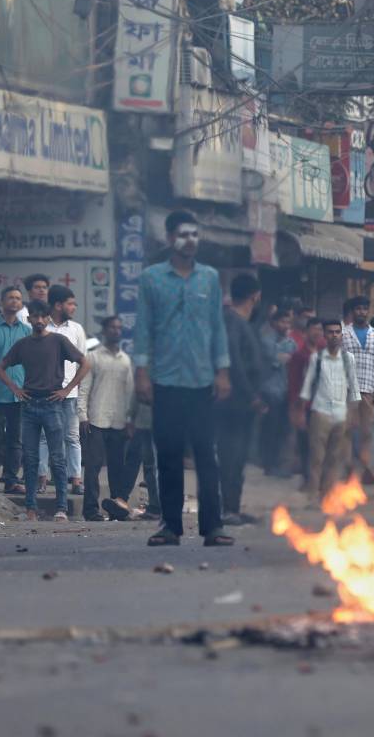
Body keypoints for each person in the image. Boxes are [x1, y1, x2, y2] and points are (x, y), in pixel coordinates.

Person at [134, 210, 233, 547]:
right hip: (165, 381)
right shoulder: (151, 279)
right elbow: (143, 329)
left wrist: (222, 372)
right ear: (169, 239)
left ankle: (213, 526)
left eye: (195, 234)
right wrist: (142, 373)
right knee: (169, 456)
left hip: (202, 381)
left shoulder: (209, 278)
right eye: (184, 234)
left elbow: (217, 328)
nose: (191, 240)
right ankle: (170, 526)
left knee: (207, 455)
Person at [0, 299, 90, 521]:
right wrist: (15, 388)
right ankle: (31, 508)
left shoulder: (59, 341)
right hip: (28, 406)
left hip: (53, 404)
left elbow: (85, 363)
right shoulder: (23, 344)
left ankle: (61, 508)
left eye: (42, 316)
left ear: (48, 318)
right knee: (29, 458)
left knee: (57, 458)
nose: (38, 320)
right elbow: (0, 368)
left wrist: (66, 390)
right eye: (34, 317)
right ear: (28, 319)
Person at [216, 274, 268, 526]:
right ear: (255, 295)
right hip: (232, 403)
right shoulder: (231, 321)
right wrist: (252, 395)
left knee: (240, 458)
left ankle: (233, 507)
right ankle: (227, 510)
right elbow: (233, 362)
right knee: (230, 456)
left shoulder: (243, 322)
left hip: (243, 404)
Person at [296, 320, 361, 506]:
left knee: (334, 458)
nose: (334, 335)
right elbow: (307, 387)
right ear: (324, 336)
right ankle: (313, 495)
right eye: (330, 332)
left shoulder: (349, 359)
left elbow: (354, 389)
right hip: (320, 412)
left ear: (341, 335)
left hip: (341, 414)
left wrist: (353, 413)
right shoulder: (316, 359)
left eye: (337, 332)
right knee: (316, 457)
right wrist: (300, 412)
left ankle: (327, 495)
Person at [78, 316, 135, 521]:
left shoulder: (125, 360)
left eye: (119, 328)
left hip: (119, 421)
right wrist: (82, 416)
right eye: (112, 327)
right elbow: (84, 388)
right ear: (104, 330)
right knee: (92, 467)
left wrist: (130, 420)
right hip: (96, 419)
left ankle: (115, 508)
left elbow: (129, 393)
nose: (116, 331)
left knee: (117, 468)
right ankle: (90, 510)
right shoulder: (93, 357)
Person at [46, 285, 87, 496]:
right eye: (70, 303)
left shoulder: (76, 329)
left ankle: (76, 480)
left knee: (72, 437)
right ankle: (42, 479)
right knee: (45, 438)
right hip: (44, 393)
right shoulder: (43, 327)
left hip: (69, 394)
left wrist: (75, 390)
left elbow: (83, 362)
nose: (74, 307)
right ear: (58, 305)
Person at [342, 296, 374, 485]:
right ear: (353, 311)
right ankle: (348, 469)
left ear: (368, 311)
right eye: (358, 309)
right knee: (348, 431)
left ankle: (368, 470)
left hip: (368, 390)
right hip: (347, 390)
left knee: (368, 432)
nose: (361, 312)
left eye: (364, 309)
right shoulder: (344, 333)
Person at [0, 286, 29, 495]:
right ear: (2, 302)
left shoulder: (27, 331)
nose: (15, 301)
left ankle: (11, 481)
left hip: (19, 394)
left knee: (16, 440)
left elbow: (32, 362)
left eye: (18, 298)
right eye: (11, 298)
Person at [258, 306, 296, 477]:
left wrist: (283, 357)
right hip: (268, 390)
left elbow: (292, 360)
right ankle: (268, 463)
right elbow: (275, 360)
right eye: (282, 321)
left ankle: (279, 464)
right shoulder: (265, 340)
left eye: (288, 322)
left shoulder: (291, 342)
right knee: (270, 429)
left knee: (283, 429)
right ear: (274, 323)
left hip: (285, 391)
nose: (286, 325)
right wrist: (282, 357)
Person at [287, 317, 325, 479]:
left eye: (320, 329)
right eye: (314, 329)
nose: (317, 332)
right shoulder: (299, 355)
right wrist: (296, 410)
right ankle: (308, 477)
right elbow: (294, 384)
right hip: (306, 405)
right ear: (306, 332)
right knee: (306, 444)